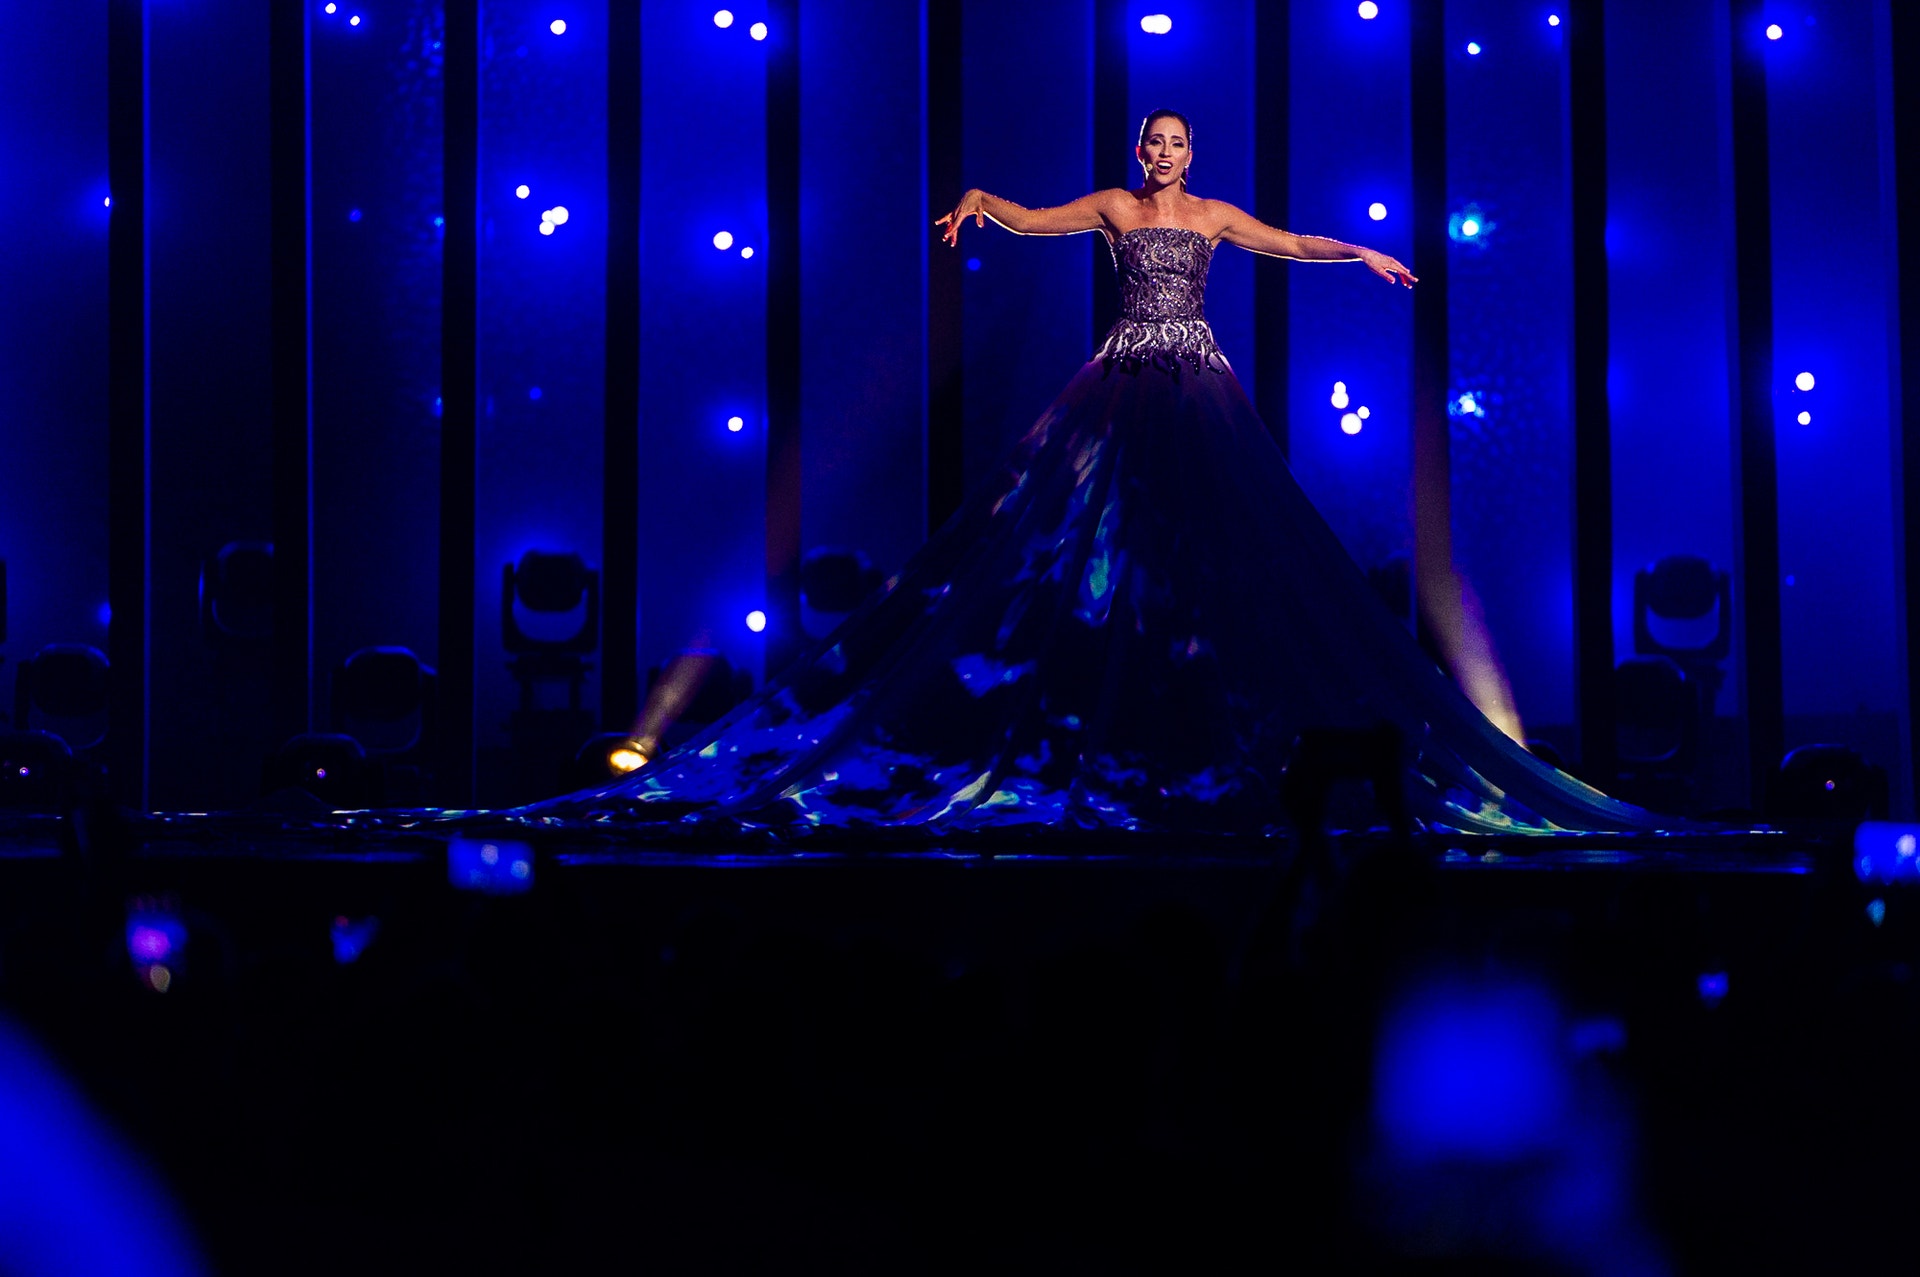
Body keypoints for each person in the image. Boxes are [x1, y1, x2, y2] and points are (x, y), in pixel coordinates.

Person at [520, 110, 1666, 839]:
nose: (1164, 156)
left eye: (1177, 144)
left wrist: (1361, 250)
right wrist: (980, 201)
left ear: (1193, 154)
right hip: (1126, 371)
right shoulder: (1118, 208)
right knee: (1079, 523)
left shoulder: (1212, 212)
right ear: (1138, 154)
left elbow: (1288, 243)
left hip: (1197, 374)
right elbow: (1034, 219)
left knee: (1231, 531)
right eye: (1153, 144)